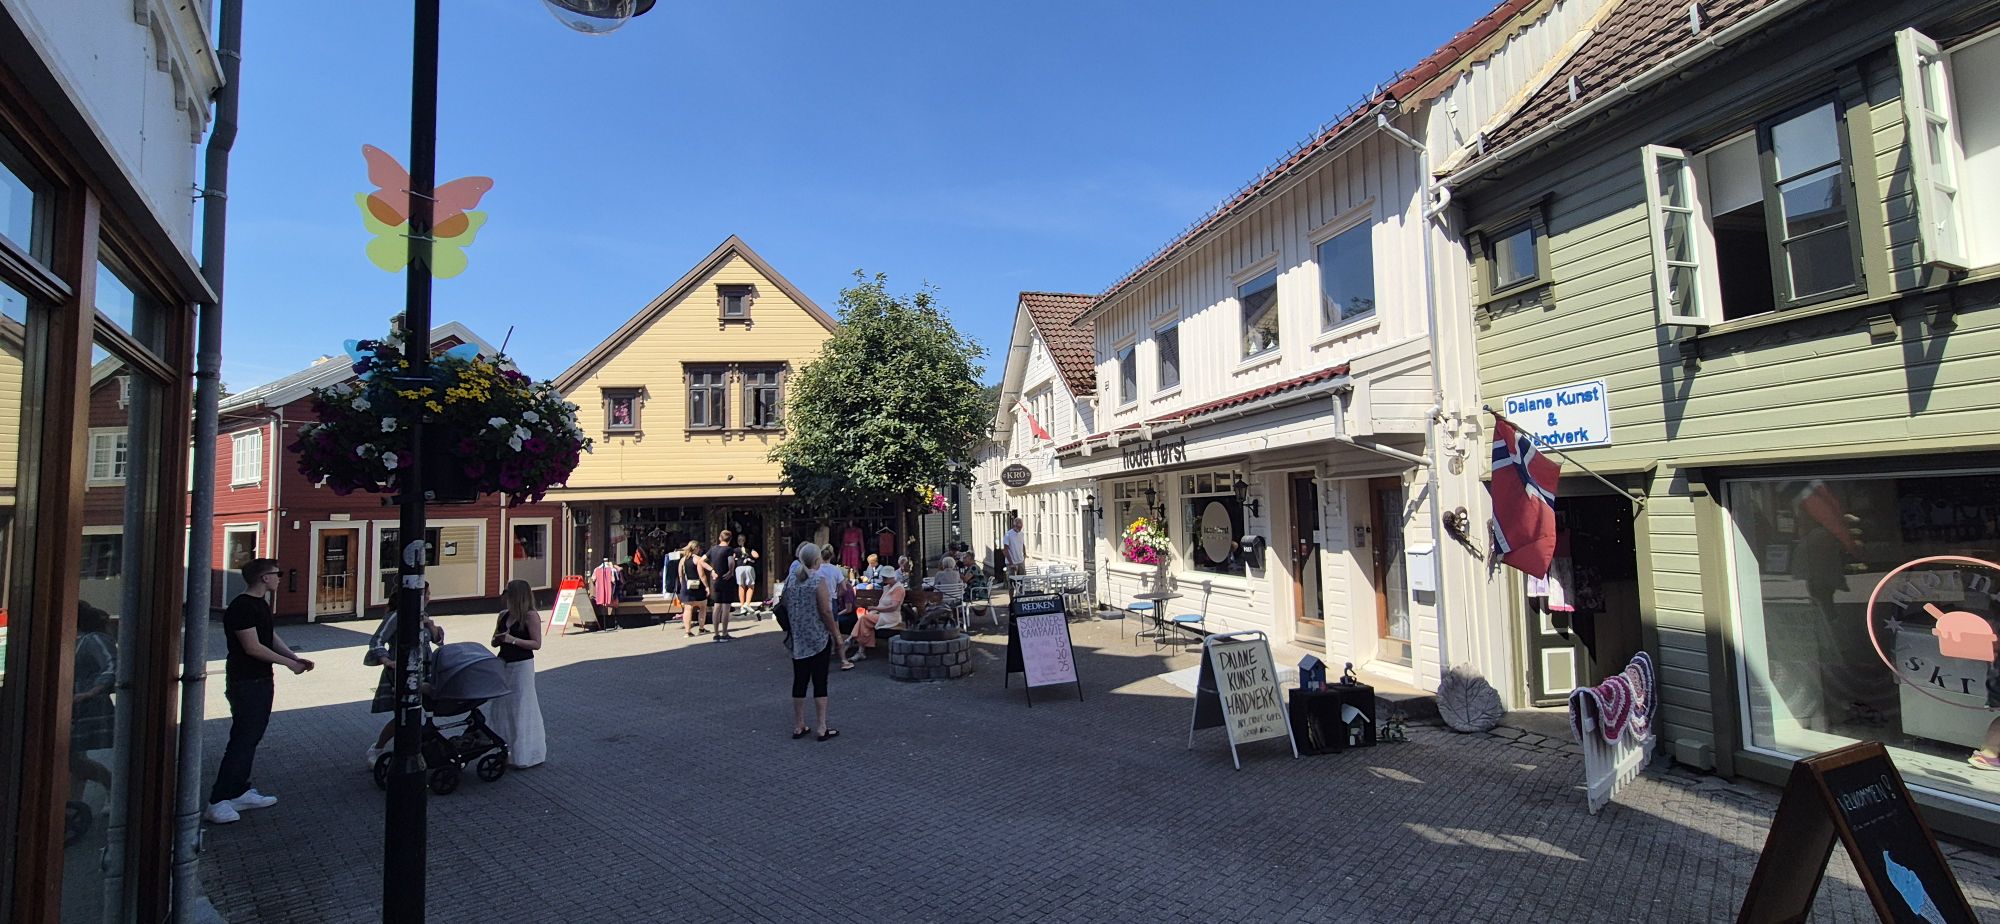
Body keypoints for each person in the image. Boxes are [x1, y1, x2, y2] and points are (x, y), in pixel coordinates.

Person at [207, 558, 313, 825]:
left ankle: (239, 792)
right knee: (243, 738)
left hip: (261, 679)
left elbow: (270, 637)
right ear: (264, 578)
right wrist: (289, 664)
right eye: (277, 574)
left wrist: (293, 657)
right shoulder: (241, 607)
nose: (280, 578)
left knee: (251, 736)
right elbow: (252, 647)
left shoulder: (260, 604)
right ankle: (218, 801)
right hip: (246, 681)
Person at [364, 583, 444, 770]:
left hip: (424, 670)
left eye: (428, 594)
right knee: (405, 713)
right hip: (403, 672)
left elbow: (438, 641)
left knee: (417, 712)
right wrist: (387, 660)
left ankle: (418, 747)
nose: (428, 597)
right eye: (425, 594)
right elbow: (377, 640)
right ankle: (378, 748)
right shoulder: (397, 616)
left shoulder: (423, 616)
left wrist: (430, 625)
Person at [783, 542, 845, 741]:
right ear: (817, 560)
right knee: (820, 682)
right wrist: (836, 635)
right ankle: (821, 726)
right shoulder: (818, 581)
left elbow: (784, 603)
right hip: (818, 638)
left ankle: (799, 724)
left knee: (799, 681)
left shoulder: (791, 580)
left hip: (798, 638)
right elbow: (826, 611)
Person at [487, 580, 547, 769]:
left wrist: (512, 639)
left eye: (508, 592)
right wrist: (498, 639)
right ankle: (503, 748)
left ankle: (526, 754)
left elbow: (536, 644)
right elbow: (494, 641)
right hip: (503, 663)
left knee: (521, 706)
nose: (504, 596)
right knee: (500, 706)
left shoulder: (530, 616)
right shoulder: (503, 615)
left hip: (522, 665)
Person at [68, 603, 114, 842]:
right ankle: (73, 806)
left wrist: (91, 692)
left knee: (73, 757)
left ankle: (109, 786)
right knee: (72, 758)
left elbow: (111, 666)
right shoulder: (71, 640)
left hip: (86, 706)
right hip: (72, 705)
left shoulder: (93, 639)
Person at [846, 571, 907, 659]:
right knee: (865, 623)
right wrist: (874, 610)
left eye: (885, 578)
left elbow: (893, 607)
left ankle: (852, 639)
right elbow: (881, 604)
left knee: (864, 619)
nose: (883, 579)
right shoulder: (887, 587)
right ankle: (860, 650)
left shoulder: (898, 589)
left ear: (891, 577)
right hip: (881, 614)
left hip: (891, 617)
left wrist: (875, 609)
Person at [706, 529, 739, 642]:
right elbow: (731, 561)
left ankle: (716, 634)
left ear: (720, 538)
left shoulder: (713, 549)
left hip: (716, 580)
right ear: (730, 539)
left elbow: (701, 561)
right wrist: (731, 571)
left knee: (717, 606)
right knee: (726, 608)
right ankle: (724, 633)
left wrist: (711, 570)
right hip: (726, 580)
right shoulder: (729, 550)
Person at [677, 540, 713, 637]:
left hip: (686, 586)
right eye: (699, 548)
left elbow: (680, 575)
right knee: (703, 606)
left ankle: (687, 631)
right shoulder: (698, 559)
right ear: (696, 548)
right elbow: (702, 575)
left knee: (688, 609)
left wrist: (683, 585)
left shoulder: (682, 560)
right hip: (698, 586)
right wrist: (707, 586)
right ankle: (701, 628)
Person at [734, 542, 761, 609]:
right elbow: (756, 556)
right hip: (748, 567)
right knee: (750, 586)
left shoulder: (736, 549)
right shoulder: (750, 549)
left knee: (741, 586)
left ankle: (742, 605)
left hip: (739, 567)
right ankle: (747, 604)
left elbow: (732, 557)